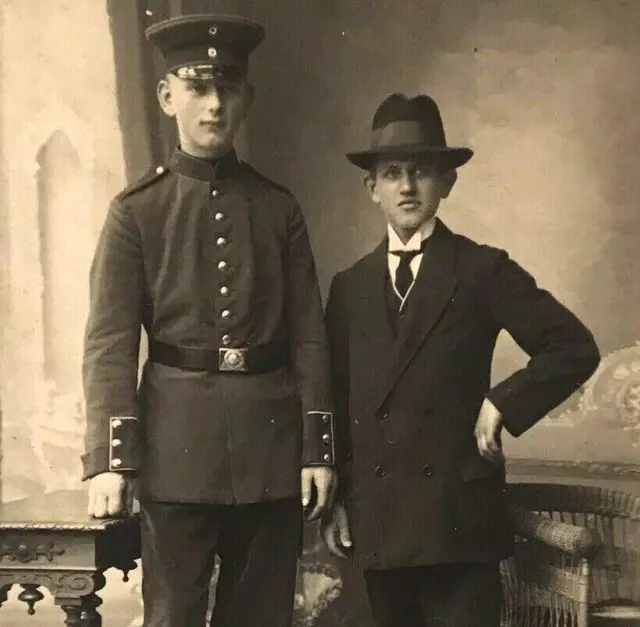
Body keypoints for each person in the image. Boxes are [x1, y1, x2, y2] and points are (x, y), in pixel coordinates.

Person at [81, 14, 337, 627]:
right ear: (168, 97)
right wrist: (111, 459)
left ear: (246, 97)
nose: (214, 104)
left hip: (270, 449)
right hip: (176, 452)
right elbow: (111, 342)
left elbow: (309, 334)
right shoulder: (137, 212)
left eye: (228, 87)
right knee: (173, 617)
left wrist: (318, 449)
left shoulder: (278, 210)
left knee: (260, 618)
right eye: (198, 87)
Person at [321, 93, 601, 627]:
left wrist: (502, 402)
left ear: (447, 182)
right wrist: (336, 498)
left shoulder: (482, 269)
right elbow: (334, 396)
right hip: (376, 524)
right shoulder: (348, 288)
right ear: (371, 187)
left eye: (422, 171)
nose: (407, 186)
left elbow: (574, 346)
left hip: (457, 526)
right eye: (393, 172)